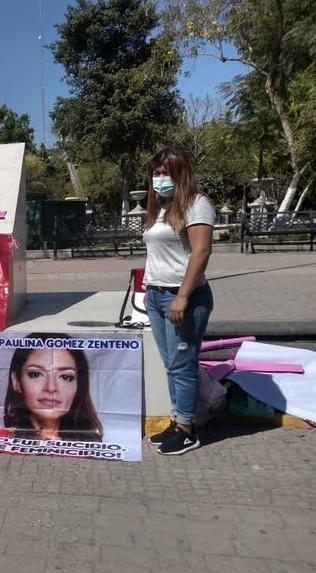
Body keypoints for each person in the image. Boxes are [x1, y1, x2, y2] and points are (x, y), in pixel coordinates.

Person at [143, 147, 215, 456]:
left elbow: (201, 252)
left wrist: (183, 297)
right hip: (157, 295)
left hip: (182, 297)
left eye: (166, 173)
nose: (160, 179)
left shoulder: (196, 204)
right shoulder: (160, 207)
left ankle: (188, 429)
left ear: (180, 173)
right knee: (171, 365)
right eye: (156, 173)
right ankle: (177, 421)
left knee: (183, 365)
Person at [3, 333, 102, 442]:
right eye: (36, 374)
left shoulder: (90, 445)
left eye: (65, 377)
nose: (51, 387)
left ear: (79, 385)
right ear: (16, 381)